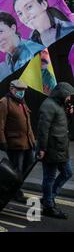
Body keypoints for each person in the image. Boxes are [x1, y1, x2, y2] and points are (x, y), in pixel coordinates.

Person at [0, 79, 36, 203]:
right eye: (19, 90)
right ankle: (14, 192)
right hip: (15, 144)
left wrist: (33, 141)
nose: (21, 92)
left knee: (28, 166)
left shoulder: (22, 102)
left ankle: (13, 188)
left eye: (23, 90)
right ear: (11, 89)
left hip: (27, 143)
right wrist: (2, 141)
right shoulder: (4, 102)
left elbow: (28, 123)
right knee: (16, 170)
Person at [37, 82, 74, 219]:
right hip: (51, 149)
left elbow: (62, 125)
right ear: (62, 93)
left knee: (67, 173)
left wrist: (69, 115)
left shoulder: (59, 105)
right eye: (68, 95)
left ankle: (49, 197)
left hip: (61, 149)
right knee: (49, 177)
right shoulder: (48, 106)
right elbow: (42, 130)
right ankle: (48, 206)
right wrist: (41, 148)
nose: (69, 98)